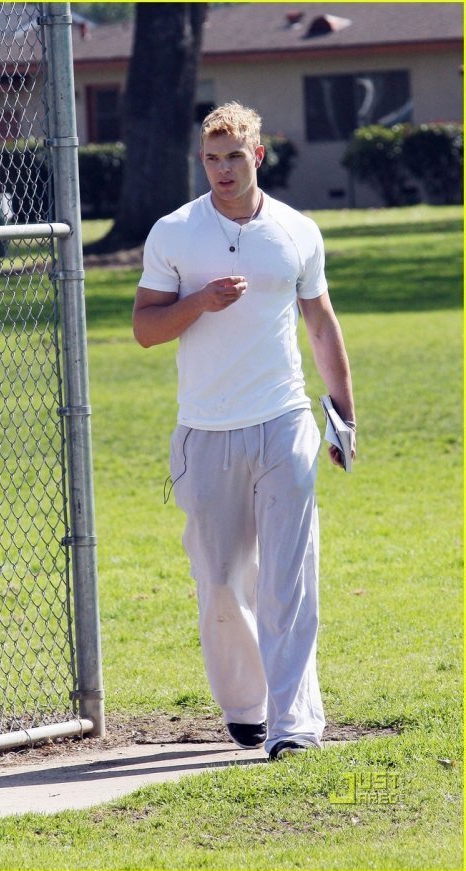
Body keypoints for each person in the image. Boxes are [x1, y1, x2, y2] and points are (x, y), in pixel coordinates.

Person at [132, 102, 356, 760]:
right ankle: (247, 705)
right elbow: (145, 328)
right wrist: (201, 302)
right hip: (206, 430)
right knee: (223, 582)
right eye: (211, 158)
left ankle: (296, 725)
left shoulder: (296, 232)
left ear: (258, 155)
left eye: (234, 156)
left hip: (284, 421)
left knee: (289, 578)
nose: (223, 169)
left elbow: (320, 323)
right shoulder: (174, 233)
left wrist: (343, 414)